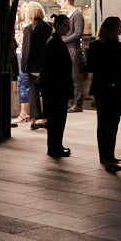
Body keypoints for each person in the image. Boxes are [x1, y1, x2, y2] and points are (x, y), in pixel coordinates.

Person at [86, 16, 121, 171]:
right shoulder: (117, 46)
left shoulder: (95, 45)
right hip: (114, 87)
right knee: (112, 122)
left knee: (102, 122)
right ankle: (109, 155)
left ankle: (104, 155)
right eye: (119, 26)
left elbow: (90, 66)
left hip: (100, 87)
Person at [40, 14, 73, 157]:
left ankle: (56, 146)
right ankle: (55, 147)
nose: (68, 27)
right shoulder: (54, 42)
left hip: (56, 88)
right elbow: (53, 69)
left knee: (57, 120)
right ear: (58, 25)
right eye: (66, 25)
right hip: (56, 89)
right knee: (57, 120)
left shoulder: (55, 41)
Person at [20, 3, 52, 130]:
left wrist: (24, 66)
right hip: (46, 65)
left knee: (34, 91)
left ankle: (34, 120)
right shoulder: (49, 26)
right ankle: (46, 118)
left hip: (33, 66)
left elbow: (27, 50)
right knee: (47, 92)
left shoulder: (29, 28)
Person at [58, 0, 86, 112]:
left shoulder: (77, 15)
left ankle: (77, 103)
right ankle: (72, 102)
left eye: (61, 1)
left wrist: (64, 39)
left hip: (73, 49)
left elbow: (78, 33)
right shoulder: (71, 15)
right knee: (69, 76)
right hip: (68, 48)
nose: (60, 4)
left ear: (66, 1)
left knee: (75, 77)